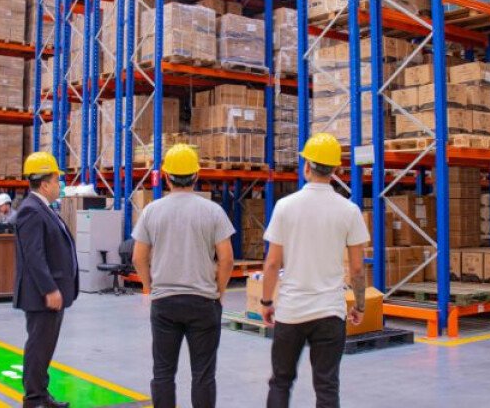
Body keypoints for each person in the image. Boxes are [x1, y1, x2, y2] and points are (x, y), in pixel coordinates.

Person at [260, 133, 370, 408]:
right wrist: (359, 305)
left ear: (306, 166)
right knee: (327, 385)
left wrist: (266, 301)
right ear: (336, 170)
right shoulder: (349, 210)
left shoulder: (285, 207)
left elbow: (272, 263)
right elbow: (357, 268)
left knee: (281, 381)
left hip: (292, 311)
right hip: (330, 313)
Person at [132, 143, 236, 408]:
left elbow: (138, 257)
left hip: (165, 302)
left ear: (166, 176)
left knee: (163, 372)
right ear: (196, 175)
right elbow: (227, 259)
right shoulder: (213, 211)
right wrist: (219, 291)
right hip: (203, 302)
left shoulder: (152, 210)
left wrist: (149, 288)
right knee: (203, 374)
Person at [13, 152, 79, 408]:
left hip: (49, 294)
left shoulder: (42, 208)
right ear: (44, 184)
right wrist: (50, 289)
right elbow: (34, 256)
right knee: (38, 347)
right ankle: (33, 399)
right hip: (41, 295)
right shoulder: (31, 211)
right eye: (55, 180)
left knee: (44, 347)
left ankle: (41, 394)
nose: (59, 185)